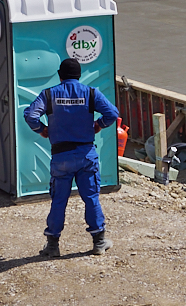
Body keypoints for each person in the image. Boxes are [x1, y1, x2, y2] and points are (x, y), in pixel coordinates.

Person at [24, 58, 121, 257]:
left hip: (61, 157)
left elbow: (31, 116)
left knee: (59, 201)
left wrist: (42, 130)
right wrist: (99, 124)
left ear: (60, 76)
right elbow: (112, 113)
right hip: (86, 155)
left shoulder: (49, 94)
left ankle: (52, 246)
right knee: (91, 198)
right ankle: (99, 242)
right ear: (79, 76)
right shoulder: (91, 93)